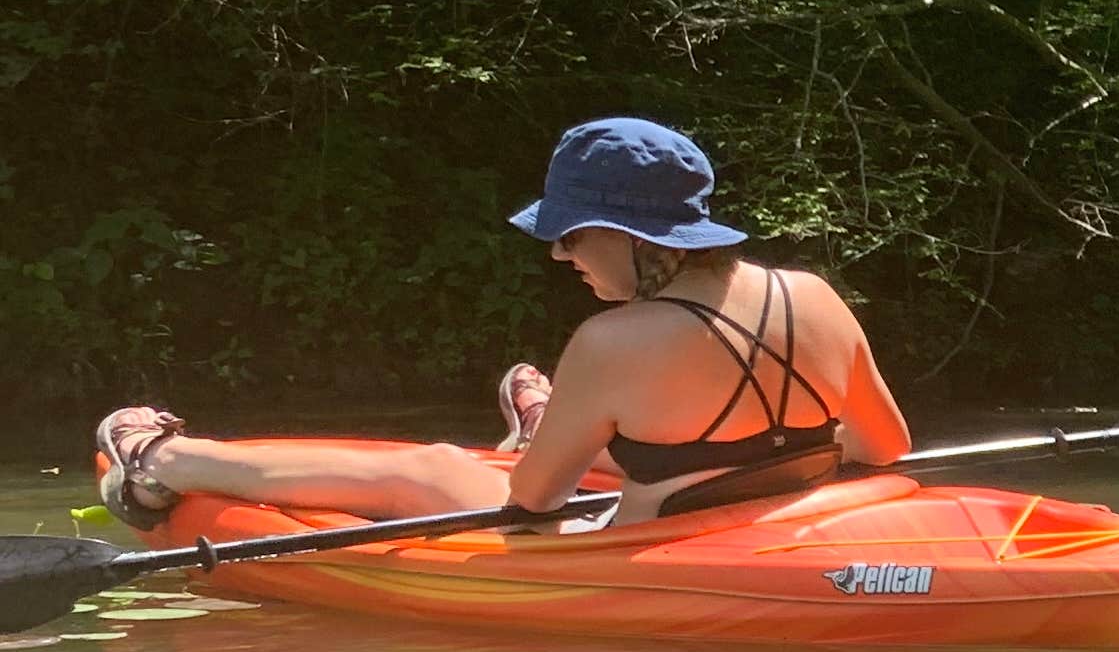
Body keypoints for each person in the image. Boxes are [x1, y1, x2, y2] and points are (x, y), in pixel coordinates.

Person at [95, 119, 912, 531]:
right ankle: (554, 420)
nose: (559, 256)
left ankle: (157, 462)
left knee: (433, 467)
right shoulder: (814, 294)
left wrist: (559, 461)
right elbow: (884, 448)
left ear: (632, 237)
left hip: (645, 545)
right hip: (767, 511)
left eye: (571, 234)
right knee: (602, 443)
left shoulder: (614, 341)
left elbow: (533, 500)